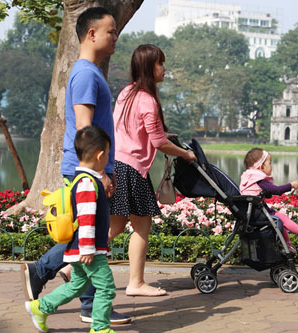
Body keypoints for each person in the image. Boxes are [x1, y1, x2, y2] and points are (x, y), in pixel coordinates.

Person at [21, 7, 130, 325]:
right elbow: (85, 128)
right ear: (91, 33)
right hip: (87, 167)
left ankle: (78, 298)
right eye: (110, 31)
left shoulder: (91, 71)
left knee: (91, 235)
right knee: (91, 235)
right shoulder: (85, 73)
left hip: (91, 166)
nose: (115, 37)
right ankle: (81, 299)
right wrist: (99, 172)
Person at [109, 44, 197, 296]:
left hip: (117, 165)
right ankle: (135, 283)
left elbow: (136, 131)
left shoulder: (127, 92)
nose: (164, 68)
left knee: (114, 228)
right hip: (133, 170)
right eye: (160, 63)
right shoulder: (148, 100)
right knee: (141, 228)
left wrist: (160, 135)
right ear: (149, 67)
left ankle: (72, 267)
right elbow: (158, 142)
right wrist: (185, 153)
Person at [25, 126, 116, 333]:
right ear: (100, 155)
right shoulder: (87, 183)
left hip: (81, 249)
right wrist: (87, 248)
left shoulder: (83, 180)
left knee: (78, 286)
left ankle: (40, 308)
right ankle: (100, 328)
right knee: (106, 287)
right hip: (88, 250)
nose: (108, 158)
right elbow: (85, 218)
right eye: (108, 154)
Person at [240, 148, 298, 252]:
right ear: (261, 167)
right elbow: (276, 190)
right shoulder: (257, 178)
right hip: (259, 213)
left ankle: (286, 243)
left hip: (254, 211)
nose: (272, 166)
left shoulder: (249, 177)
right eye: (270, 163)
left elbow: (266, 193)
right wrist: (291, 185)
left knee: (280, 219)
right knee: (281, 218)